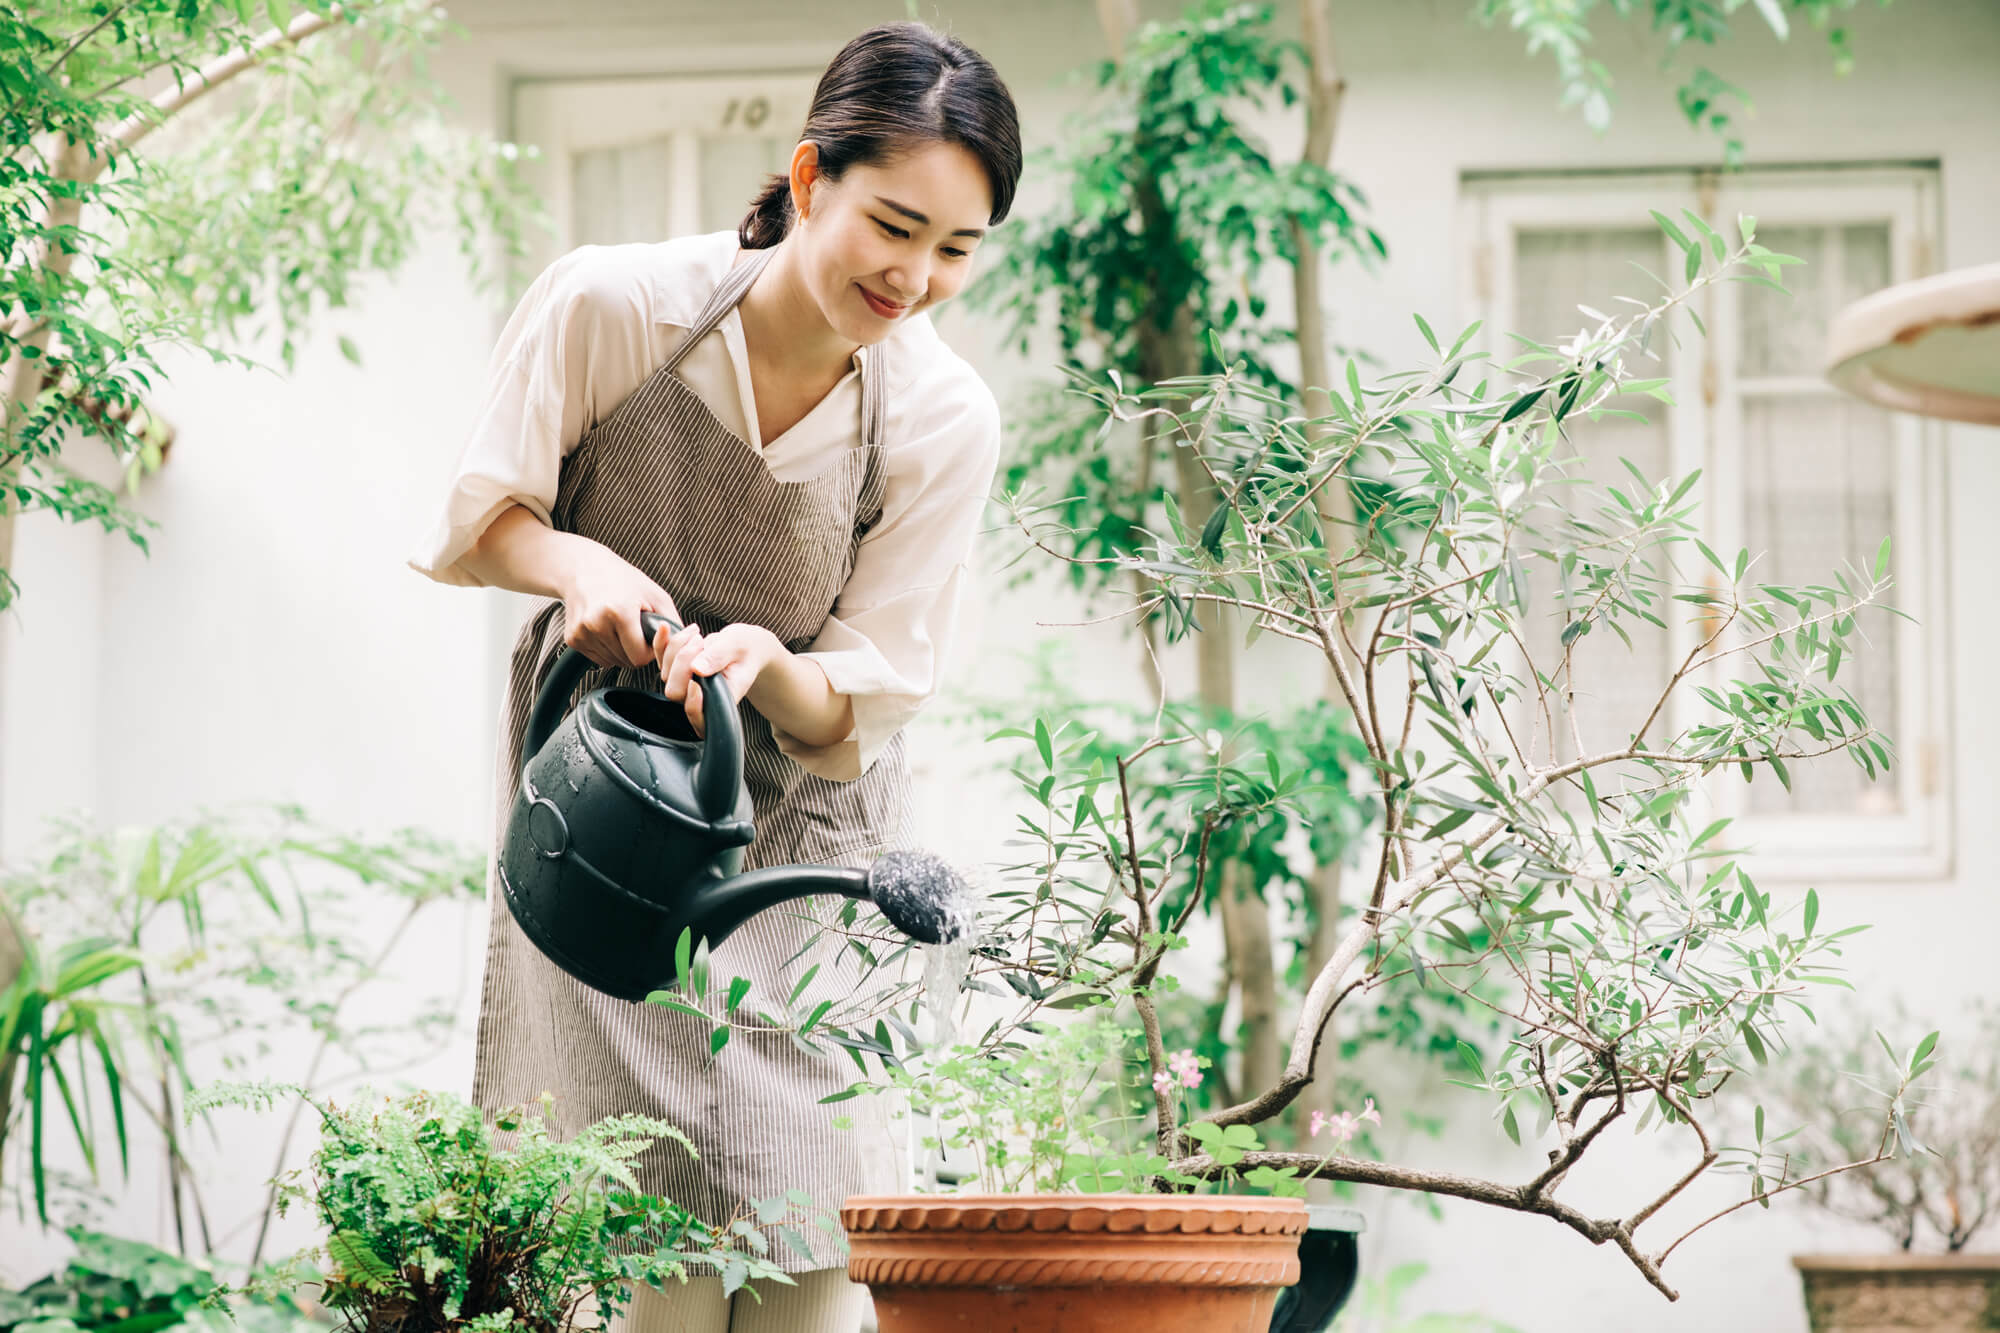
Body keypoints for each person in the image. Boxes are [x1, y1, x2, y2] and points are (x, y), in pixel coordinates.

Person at [408, 21, 1020, 1333]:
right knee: (639, 1261)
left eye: (957, 249)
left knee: (804, 1238)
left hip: (805, 839)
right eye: (893, 225)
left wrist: (764, 666)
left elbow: (870, 691)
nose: (915, 274)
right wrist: (580, 567)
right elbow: (485, 514)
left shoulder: (938, 414)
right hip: (616, 827)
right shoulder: (616, 305)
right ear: (810, 181)